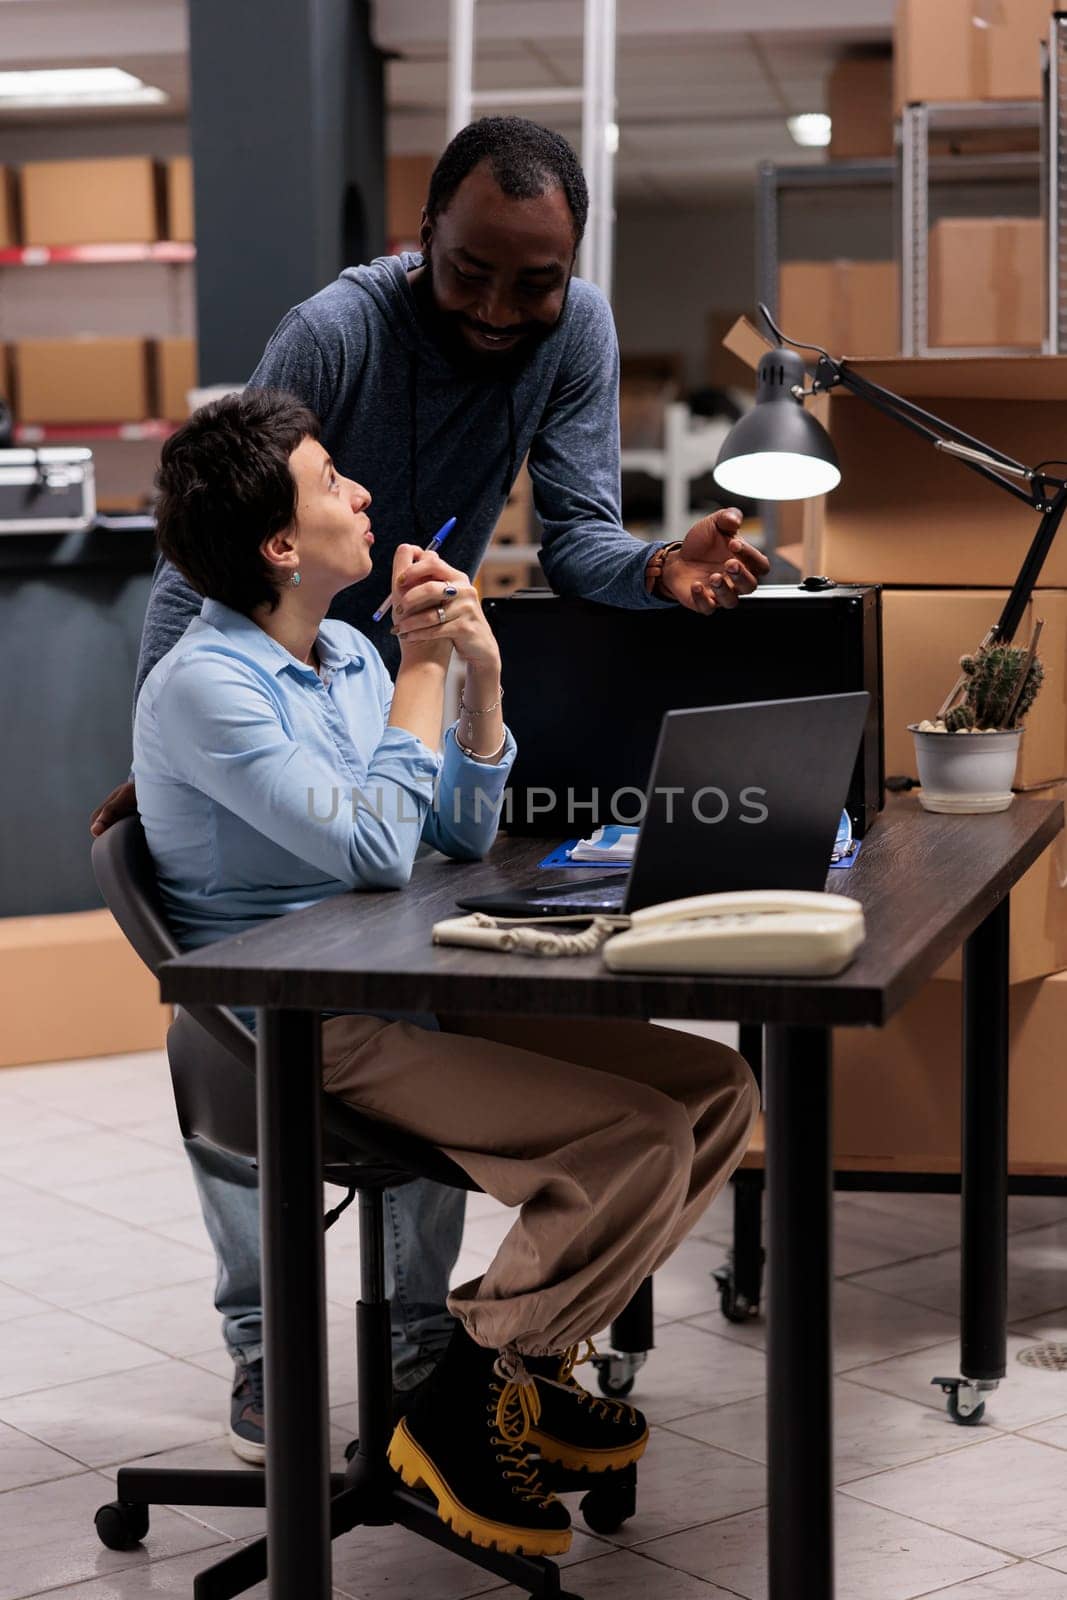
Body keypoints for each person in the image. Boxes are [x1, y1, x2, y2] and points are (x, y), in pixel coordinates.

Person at [91, 115, 769, 1462]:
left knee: (473, 1004)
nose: (502, 311)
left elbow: (570, 538)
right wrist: (191, 771)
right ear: (423, 245)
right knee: (255, 1007)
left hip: (353, 651)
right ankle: (273, 1351)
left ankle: (443, 1363)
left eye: (536, 283)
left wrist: (631, 584)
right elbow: (211, 558)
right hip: (276, 680)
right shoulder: (333, 340)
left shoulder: (556, 348)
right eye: (470, 275)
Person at [133, 388, 758, 1555]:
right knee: (627, 1142)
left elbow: (452, 841)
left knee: (714, 1094)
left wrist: (479, 683)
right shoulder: (205, 686)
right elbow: (375, 849)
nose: (363, 495)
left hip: (406, 978)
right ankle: (465, 1404)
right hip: (302, 1021)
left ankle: (504, 1367)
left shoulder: (351, 657)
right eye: (331, 483)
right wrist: (422, 667)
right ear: (279, 546)